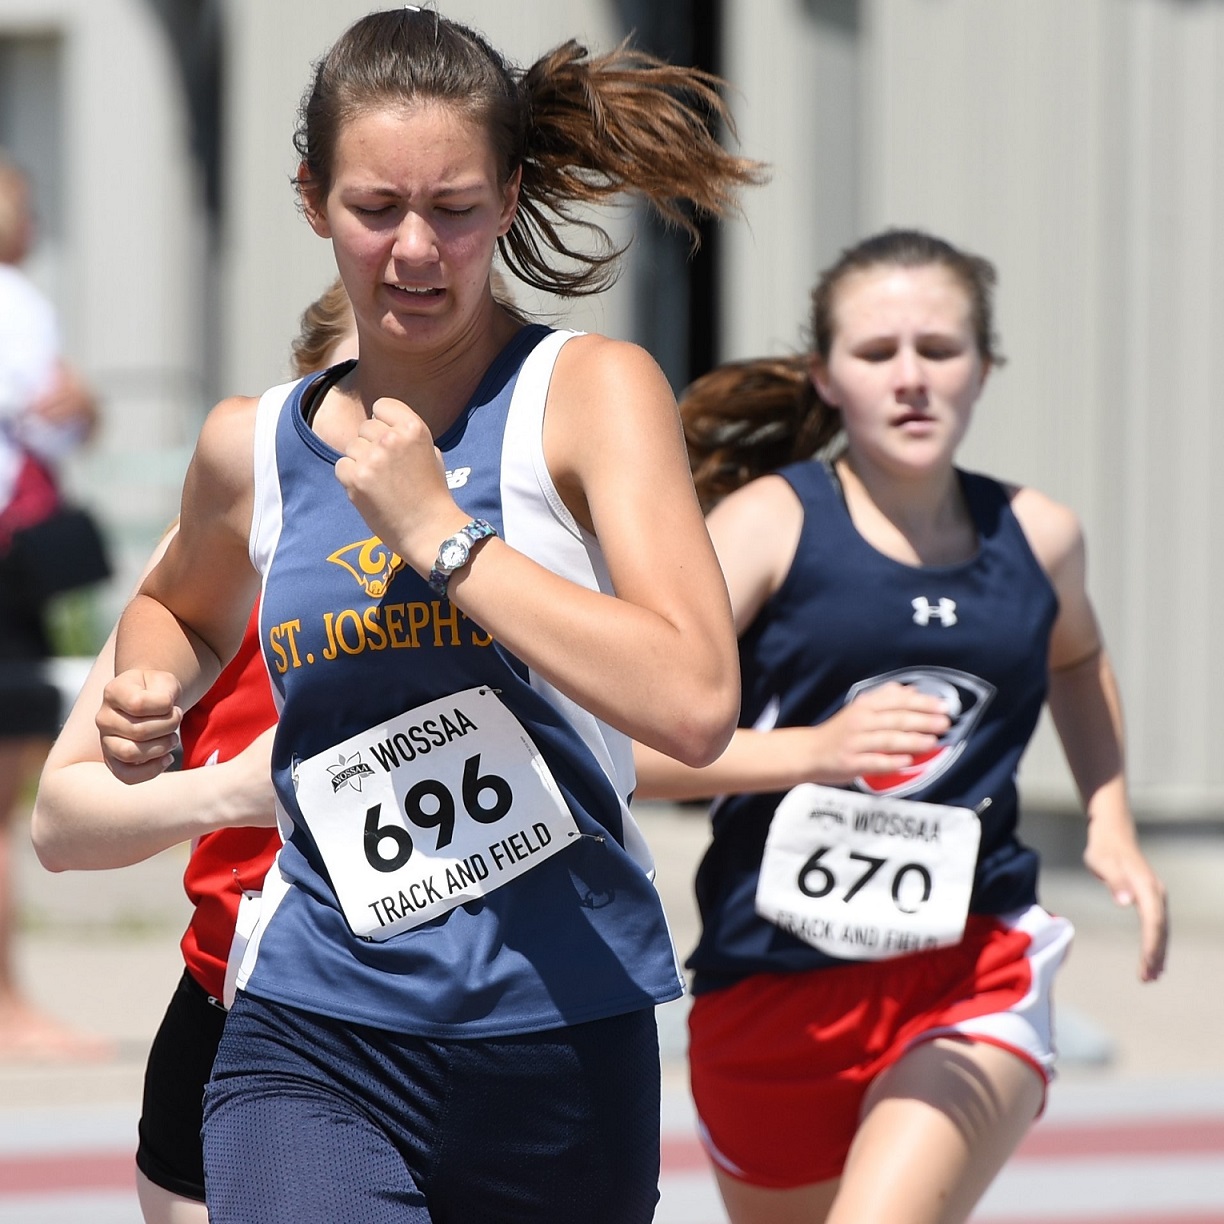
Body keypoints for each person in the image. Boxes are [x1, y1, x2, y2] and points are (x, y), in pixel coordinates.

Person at [95, 9, 761, 1222]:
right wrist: (152, 683)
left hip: (561, 1035)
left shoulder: (588, 394)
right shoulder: (255, 444)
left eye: (454, 209)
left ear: (508, 198)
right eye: (375, 209)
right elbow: (176, 611)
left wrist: (445, 539)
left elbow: (697, 700)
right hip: (315, 1028)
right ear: (311, 200)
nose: (416, 250)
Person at [634, 228, 1169, 1224]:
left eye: (942, 350)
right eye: (878, 354)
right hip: (769, 982)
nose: (912, 378)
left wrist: (1110, 817)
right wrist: (814, 752)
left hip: (970, 965)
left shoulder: (1040, 537)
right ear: (825, 377)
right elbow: (617, 747)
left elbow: (1079, 659)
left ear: (986, 367)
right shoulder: (765, 527)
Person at [31, 276, 356, 1223]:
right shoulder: (223, 550)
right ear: (300, 397)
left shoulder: (503, 542)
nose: (392, 435)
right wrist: (239, 792)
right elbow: (62, 820)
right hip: (239, 1001)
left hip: (475, 1021)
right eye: (357, 391)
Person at [0, 150, 103, 1060]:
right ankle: (7, 1007)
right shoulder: (13, 301)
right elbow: (54, 412)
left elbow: (60, 415)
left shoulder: (22, 301)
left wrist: (78, 405)